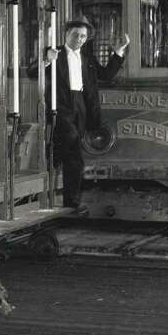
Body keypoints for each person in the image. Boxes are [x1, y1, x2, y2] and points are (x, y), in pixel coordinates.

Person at [42, 17, 129, 212]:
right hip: (61, 105)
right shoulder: (54, 53)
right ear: (66, 35)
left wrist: (119, 51)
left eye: (83, 36)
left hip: (81, 105)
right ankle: (52, 164)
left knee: (73, 156)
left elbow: (106, 75)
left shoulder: (87, 58)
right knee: (71, 142)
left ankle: (69, 202)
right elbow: (33, 71)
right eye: (76, 35)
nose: (79, 39)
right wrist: (47, 60)